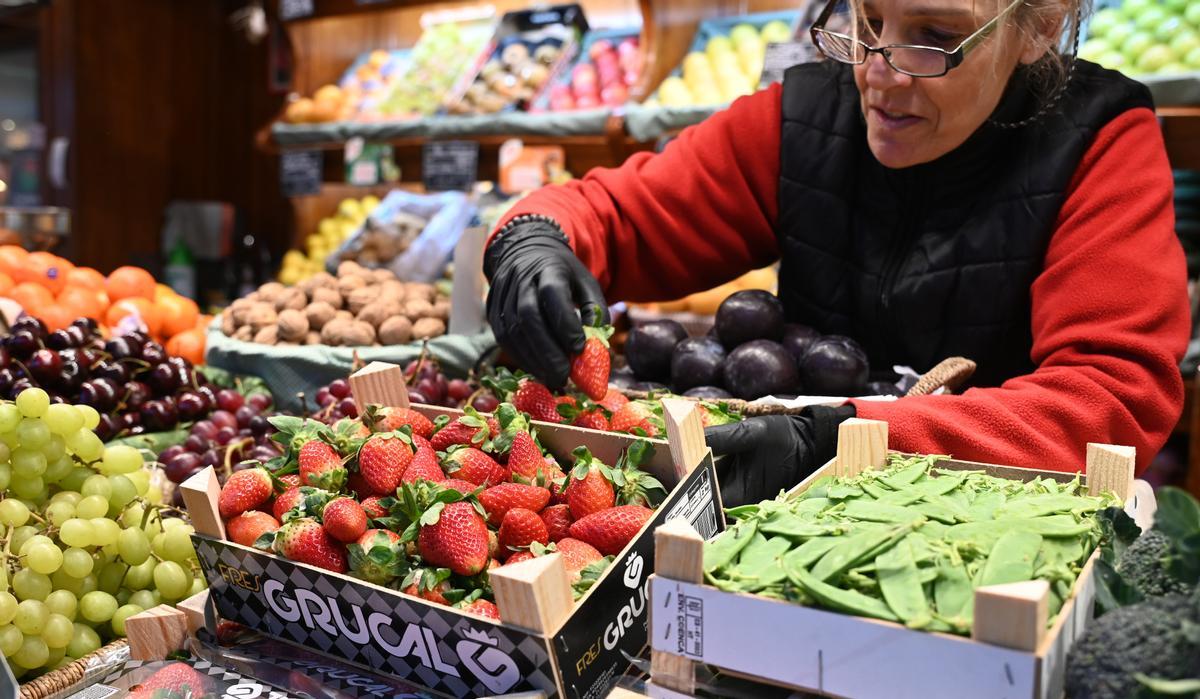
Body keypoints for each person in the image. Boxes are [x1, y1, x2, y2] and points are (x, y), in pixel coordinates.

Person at [483, 0, 1190, 506]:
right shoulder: (801, 119)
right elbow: (615, 213)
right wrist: (532, 236)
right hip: (789, 530)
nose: (879, 74)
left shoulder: (1099, 138)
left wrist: (844, 440)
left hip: (993, 530)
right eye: (868, 22)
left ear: (1037, 25)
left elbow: (1107, 398)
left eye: (933, 37)